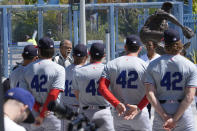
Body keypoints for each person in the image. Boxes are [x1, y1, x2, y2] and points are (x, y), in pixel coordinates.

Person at [145, 28, 197, 131]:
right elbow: (190, 96)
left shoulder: (153, 65)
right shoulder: (190, 66)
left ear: (164, 44)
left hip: (162, 113)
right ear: (179, 43)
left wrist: (166, 117)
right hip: (183, 114)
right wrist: (175, 119)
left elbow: (149, 94)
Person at [99, 35, 151, 131]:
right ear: (140, 48)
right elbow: (152, 91)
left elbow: (102, 87)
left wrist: (116, 103)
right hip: (139, 112)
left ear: (125, 47)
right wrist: (139, 107)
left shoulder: (111, 64)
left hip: (120, 111)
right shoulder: (145, 66)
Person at [21, 37, 65, 131]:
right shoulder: (59, 69)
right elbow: (53, 94)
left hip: (34, 113)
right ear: (53, 50)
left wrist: (39, 109)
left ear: (39, 51)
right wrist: (43, 113)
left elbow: (25, 95)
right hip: (52, 114)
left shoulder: (26, 69)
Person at [72, 43, 115, 131]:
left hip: (86, 112)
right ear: (104, 55)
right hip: (104, 111)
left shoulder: (78, 71)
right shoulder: (109, 70)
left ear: (89, 54)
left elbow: (77, 95)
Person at [60, 44, 88, 131]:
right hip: (80, 108)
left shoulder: (65, 70)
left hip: (66, 108)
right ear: (86, 57)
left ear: (73, 56)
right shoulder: (86, 71)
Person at [140, 41, 160, 119]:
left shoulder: (159, 58)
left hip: (156, 87)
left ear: (154, 46)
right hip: (145, 87)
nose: (148, 47)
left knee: (158, 108)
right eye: (147, 45)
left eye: (150, 45)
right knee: (146, 107)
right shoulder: (142, 58)